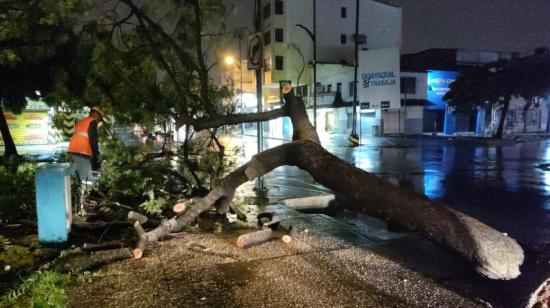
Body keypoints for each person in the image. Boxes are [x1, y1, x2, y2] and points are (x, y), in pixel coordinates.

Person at [67, 106, 103, 215]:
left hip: (72, 152)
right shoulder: (92, 122)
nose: (99, 121)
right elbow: (93, 140)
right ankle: (84, 209)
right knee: (87, 181)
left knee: (79, 182)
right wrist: (97, 156)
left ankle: (77, 208)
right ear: (96, 114)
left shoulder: (81, 121)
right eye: (99, 118)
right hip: (81, 153)